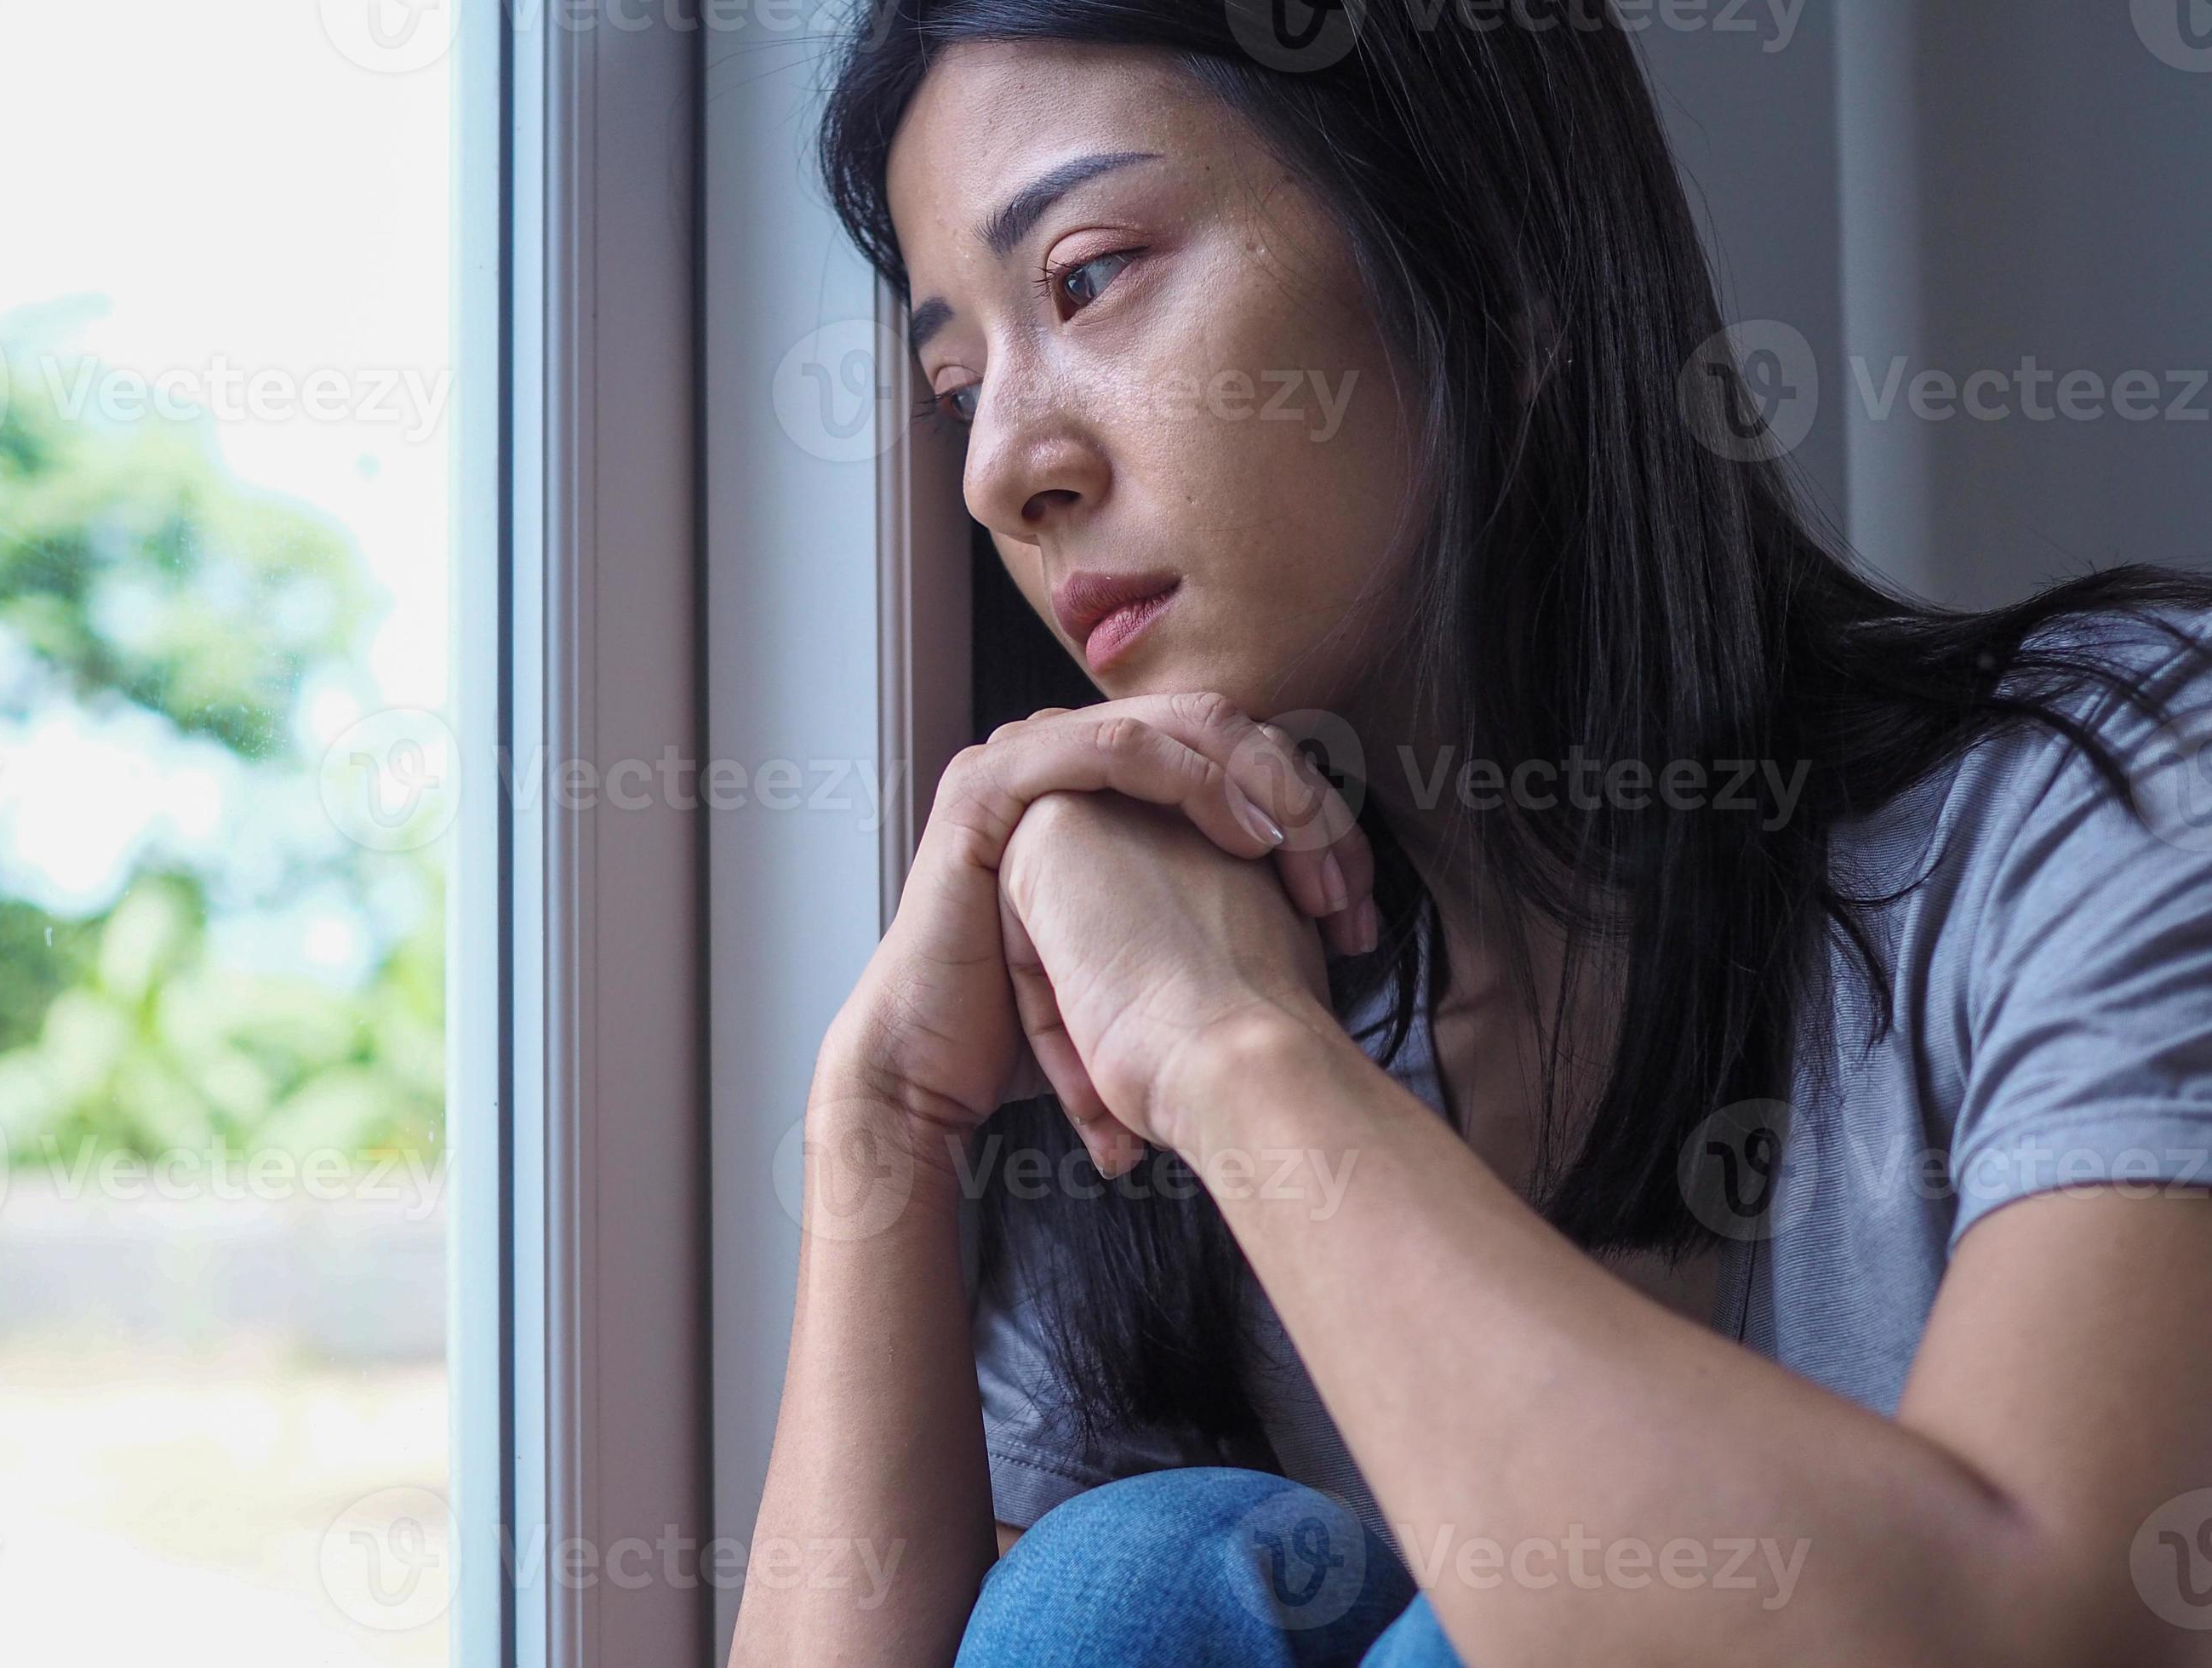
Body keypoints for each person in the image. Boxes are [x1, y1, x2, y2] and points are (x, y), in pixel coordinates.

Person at [729, 3, 2212, 1663]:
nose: (1002, 465)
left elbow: (2060, 1633)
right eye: (956, 380)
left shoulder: (2117, 779)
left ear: (1494, 258)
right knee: (1132, 1574)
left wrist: (1235, 1049)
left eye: (1088, 277)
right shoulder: (1110, 1019)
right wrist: (888, 1114)